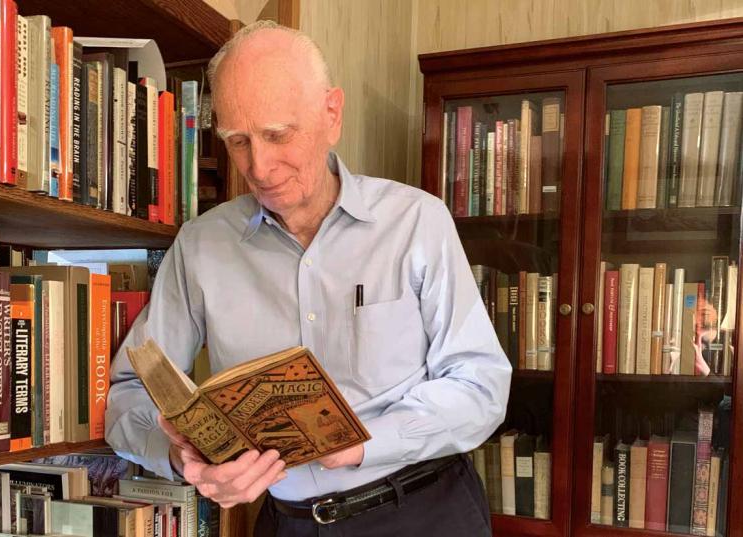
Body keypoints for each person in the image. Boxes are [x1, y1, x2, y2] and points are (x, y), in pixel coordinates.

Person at [105, 19, 511, 537]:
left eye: (278, 135)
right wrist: (182, 459)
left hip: (423, 510)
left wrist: (365, 443)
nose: (259, 166)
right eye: (238, 141)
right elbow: (130, 393)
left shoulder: (416, 221)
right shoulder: (201, 245)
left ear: (331, 114)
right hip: (287, 524)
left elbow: (480, 385)